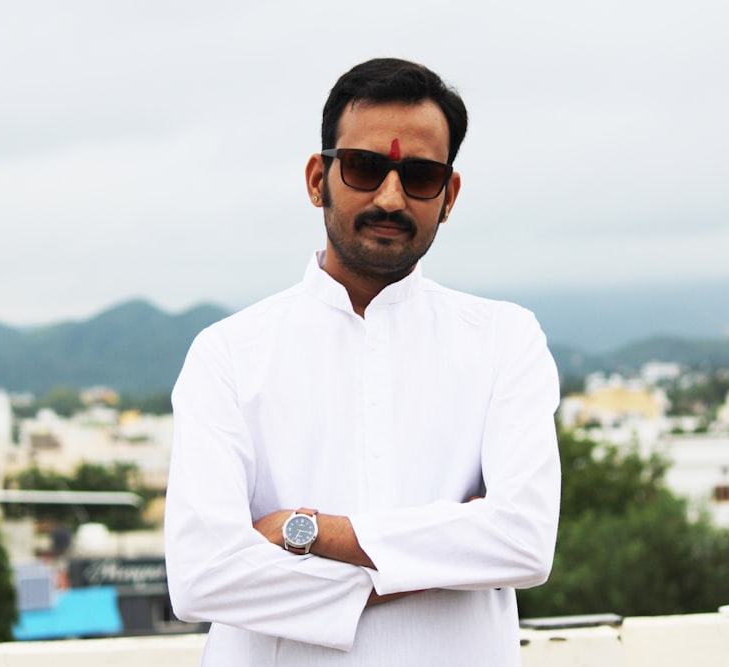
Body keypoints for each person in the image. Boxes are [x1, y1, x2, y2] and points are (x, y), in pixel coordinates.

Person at [164, 57, 561, 666]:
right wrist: (441, 553)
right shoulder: (229, 354)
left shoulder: (504, 340)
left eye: (421, 175)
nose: (391, 197)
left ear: (450, 195)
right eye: (365, 167)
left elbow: (525, 542)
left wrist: (315, 532)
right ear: (317, 179)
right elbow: (203, 577)